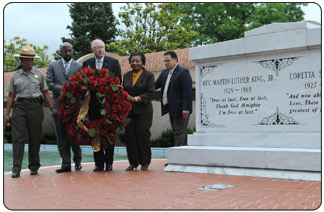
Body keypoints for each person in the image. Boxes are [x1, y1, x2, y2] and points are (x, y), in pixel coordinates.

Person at [4, 46, 58, 178]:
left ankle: (34, 166)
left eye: (32, 59)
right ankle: (16, 168)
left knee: (35, 137)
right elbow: (11, 95)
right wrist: (7, 114)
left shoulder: (38, 74)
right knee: (18, 138)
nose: (30, 62)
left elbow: (45, 92)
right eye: (28, 60)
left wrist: (51, 107)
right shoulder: (15, 76)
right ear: (22, 60)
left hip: (35, 107)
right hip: (19, 107)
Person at [82, 39, 122, 172]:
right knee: (95, 133)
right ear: (92, 50)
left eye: (102, 47)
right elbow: (83, 82)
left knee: (109, 133)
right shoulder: (87, 64)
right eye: (97, 48)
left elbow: (118, 82)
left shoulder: (113, 62)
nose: (100, 50)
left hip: (109, 105)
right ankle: (98, 163)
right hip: (93, 104)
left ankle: (109, 162)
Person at [46, 42, 82, 173]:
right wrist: (67, 89)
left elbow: (82, 84)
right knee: (61, 137)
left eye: (70, 51)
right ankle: (65, 164)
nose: (68, 53)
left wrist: (73, 90)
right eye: (65, 51)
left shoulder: (79, 66)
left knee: (74, 136)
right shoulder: (52, 66)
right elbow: (49, 83)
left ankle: (78, 161)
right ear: (60, 52)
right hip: (58, 107)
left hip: (74, 107)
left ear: (72, 52)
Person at [123, 52, 155, 171]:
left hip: (144, 111)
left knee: (142, 134)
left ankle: (145, 162)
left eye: (138, 61)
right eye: (132, 61)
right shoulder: (126, 76)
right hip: (129, 111)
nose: (135, 63)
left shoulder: (149, 75)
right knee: (130, 136)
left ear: (143, 62)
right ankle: (133, 163)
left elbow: (151, 93)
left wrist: (135, 99)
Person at [155, 51, 193, 146]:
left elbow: (188, 92)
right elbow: (155, 85)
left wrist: (186, 108)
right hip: (171, 108)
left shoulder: (183, 72)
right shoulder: (164, 72)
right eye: (164, 61)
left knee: (179, 134)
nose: (166, 63)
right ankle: (180, 157)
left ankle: (179, 158)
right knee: (176, 133)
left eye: (168, 60)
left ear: (175, 59)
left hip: (182, 110)